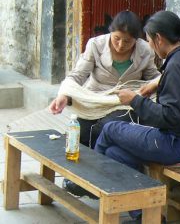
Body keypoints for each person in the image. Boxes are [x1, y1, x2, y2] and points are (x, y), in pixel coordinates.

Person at [94, 10, 180, 223]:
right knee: (115, 153)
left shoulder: (177, 65)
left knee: (110, 129)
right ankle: (144, 217)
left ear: (159, 39)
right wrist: (156, 84)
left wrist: (134, 100)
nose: (151, 48)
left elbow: (171, 118)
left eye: (150, 42)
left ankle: (93, 180)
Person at [49, 10, 160, 196]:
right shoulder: (96, 45)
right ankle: (80, 177)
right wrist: (64, 96)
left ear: (136, 40)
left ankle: (99, 182)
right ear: (111, 32)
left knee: (107, 127)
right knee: (81, 129)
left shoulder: (145, 50)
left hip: (124, 103)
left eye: (127, 41)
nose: (121, 45)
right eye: (117, 38)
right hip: (95, 99)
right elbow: (77, 76)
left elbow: (153, 77)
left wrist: (159, 83)